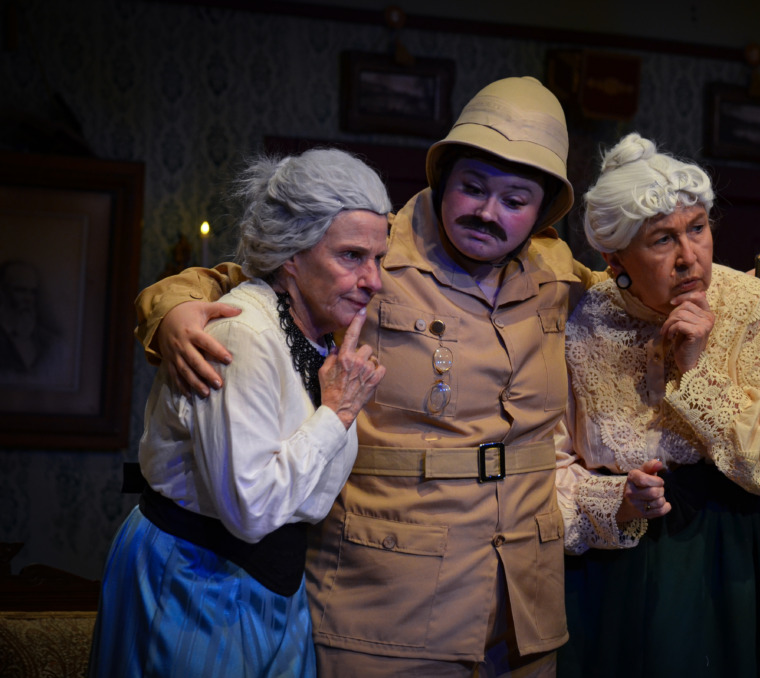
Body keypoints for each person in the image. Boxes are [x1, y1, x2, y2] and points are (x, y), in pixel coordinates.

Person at [132, 76, 603, 677]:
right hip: (391, 598)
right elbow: (242, 284)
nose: (488, 212)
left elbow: (637, 298)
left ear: (541, 212)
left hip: (522, 605)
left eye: (515, 201)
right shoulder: (371, 250)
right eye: (473, 188)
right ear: (443, 179)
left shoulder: (557, 273)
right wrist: (169, 312)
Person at [88, 148, 390, 677]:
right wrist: (336, 412)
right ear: (291, 255)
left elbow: (311, 499)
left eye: (378, 259)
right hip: (193, 583)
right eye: (351, 256)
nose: (374, 280)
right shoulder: (241, 334)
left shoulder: (322, 340)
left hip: (273, 587)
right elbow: (249, 511)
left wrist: (335, 413)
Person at [554, 133, 760, 678]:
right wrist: (616, 500)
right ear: (614, 260)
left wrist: (698, 372)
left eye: (697, 229)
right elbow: (550, 465)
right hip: (620, 569)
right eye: (661, 241)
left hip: (739, 559)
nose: (689, 257)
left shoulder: (751, 304)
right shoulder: (583, 321)